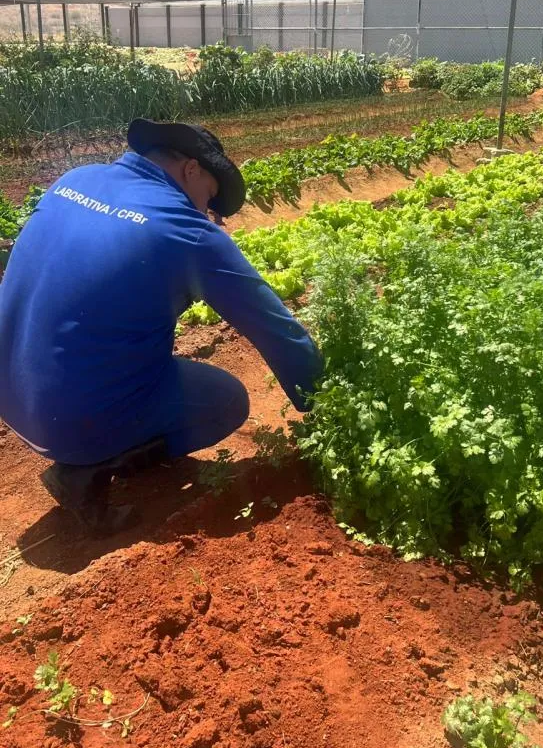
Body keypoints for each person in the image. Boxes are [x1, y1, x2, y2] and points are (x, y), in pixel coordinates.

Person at [0, 119, 322, 537]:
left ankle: (104, 442)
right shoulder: (185, 230)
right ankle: (87, 470)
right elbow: (273, 327)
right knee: (225, 400)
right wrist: (322, 400)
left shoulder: (76, 179)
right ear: (191, 169)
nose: (207, 212)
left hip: (11, 391)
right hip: (67, 421)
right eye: (209, 197)